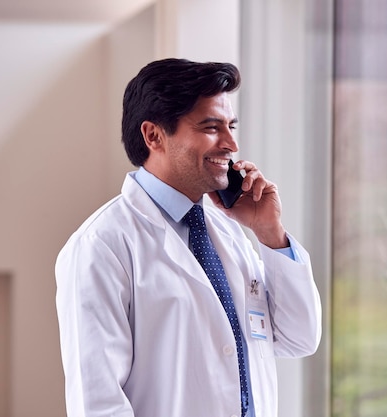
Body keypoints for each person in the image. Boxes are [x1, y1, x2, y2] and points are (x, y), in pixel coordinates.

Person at [55, 58, 322, 417]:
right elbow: (98, 402)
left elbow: (298, 339)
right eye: (211, 127)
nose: (231, 144)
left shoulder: (229, 233)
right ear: (153, 136)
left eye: (231, 126)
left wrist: (269, 233)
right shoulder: (101, 246)